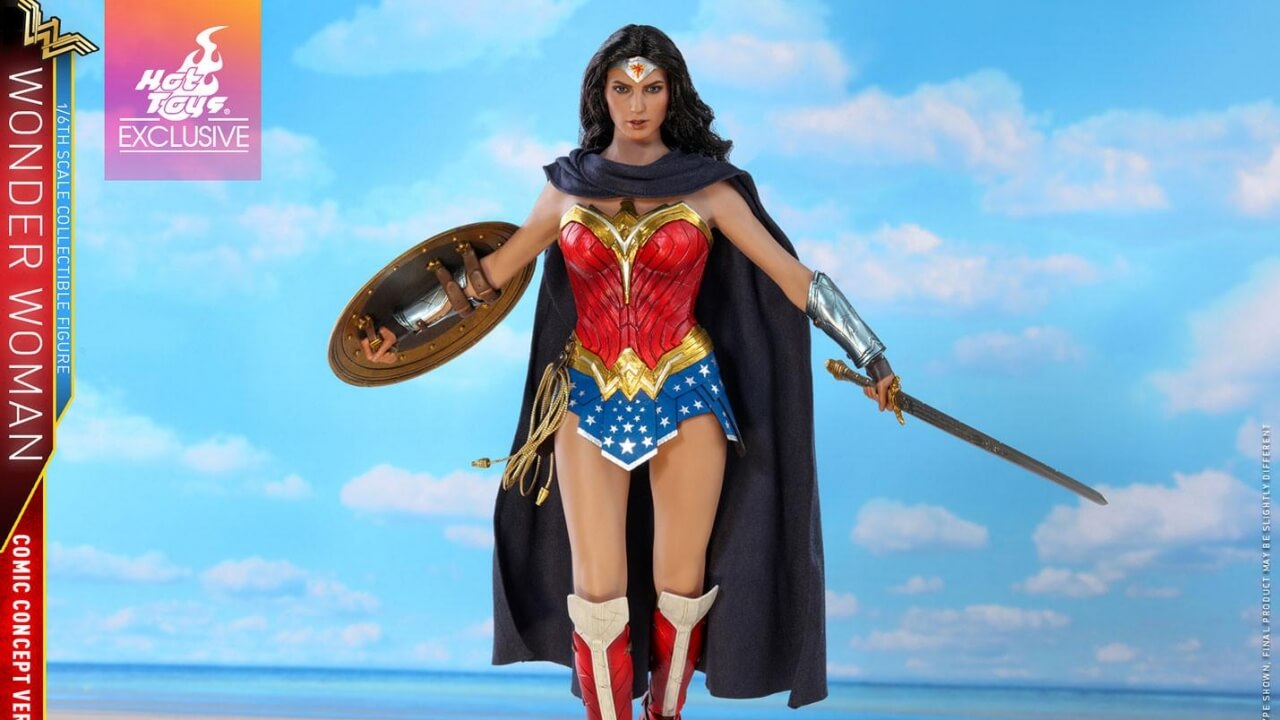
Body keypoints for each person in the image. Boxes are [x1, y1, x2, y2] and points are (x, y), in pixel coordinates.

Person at [363, 24, 896, 720]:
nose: (637, 104)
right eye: (622, 88)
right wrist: (400, 332)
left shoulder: (709, 190)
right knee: (596, 593)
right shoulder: (566, 189)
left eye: (651, 88)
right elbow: (486, 278)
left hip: (686, 391)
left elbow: (795, 280)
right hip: (588, 393)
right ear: (602, 95)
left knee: (681, 586)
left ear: (672, 94)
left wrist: (870, 354)